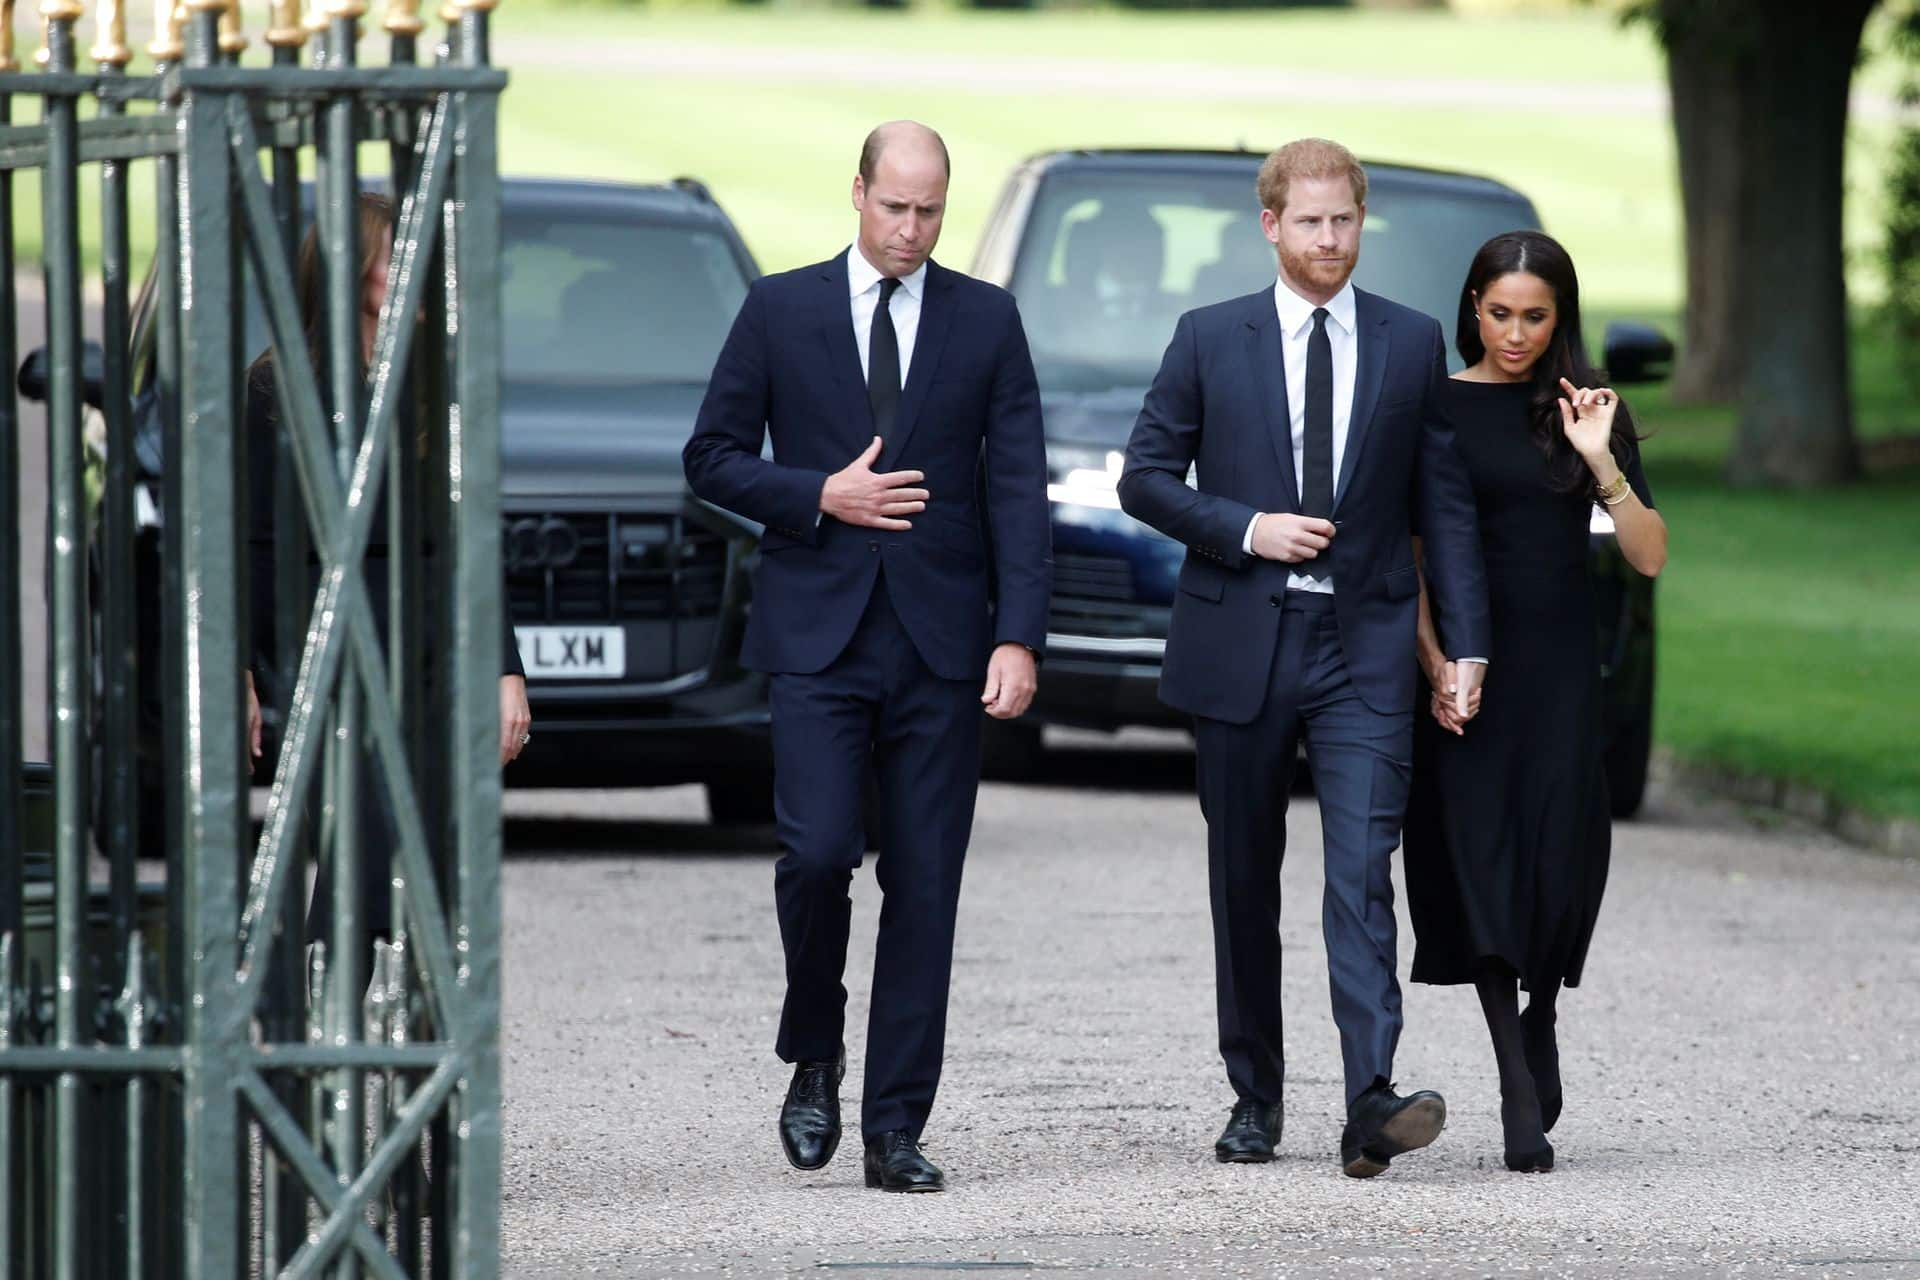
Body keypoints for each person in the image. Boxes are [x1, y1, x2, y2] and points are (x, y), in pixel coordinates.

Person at [682, 122, 1051, 1193]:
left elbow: (1018, 486)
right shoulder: (781, 308)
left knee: (927, 884)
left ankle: (894, 1125)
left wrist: (1018, 631)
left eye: (931, 210)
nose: (912, 229)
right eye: (895, 207)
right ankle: (815, 1046)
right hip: (818, 637)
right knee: (814, 853)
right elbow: (709, 456)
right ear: (857, 194)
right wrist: (815, 494)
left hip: (942, 644)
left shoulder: (986, 319)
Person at [1117, 138, 1491, 1178]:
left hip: (1365, 644)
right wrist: (1246, 526)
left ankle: (1371, 1095)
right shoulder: (1208, 338)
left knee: (1362, 869)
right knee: (1244, 876)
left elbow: (1442, 511)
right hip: (1242, 633)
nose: (1330, 239)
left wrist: (1464, 645)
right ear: (1271, 225)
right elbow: (1144, 478)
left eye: (1346, 221)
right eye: (1311, 221)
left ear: (1362, 223)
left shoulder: (1412, 344)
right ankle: (1255, 1095)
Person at [1403, 230, 1667, 1173]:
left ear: (1561, 317)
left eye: (1536, 316)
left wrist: (1600, 457)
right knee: (1477, 855)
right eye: (1500, 311)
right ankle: (1515, 1077)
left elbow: (1648, 554)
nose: (1515, 334)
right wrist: (1435, 659)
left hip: (1558, 667)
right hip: (1469, 664)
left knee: (1559, 856)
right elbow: (1419, 553)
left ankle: (1542, 1007)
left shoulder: (1588, 407)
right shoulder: (1432, 401)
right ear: (1473, 305)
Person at [243, 192, 533, 940]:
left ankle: (377, 1024)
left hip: (428, 632)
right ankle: (324, 1010)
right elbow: (254, 539)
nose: (405, 270)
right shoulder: (277, 386)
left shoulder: (439, 381)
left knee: (420, 846)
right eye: (386, 256)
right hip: (325, 636)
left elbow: (471, 534)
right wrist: (242, 669)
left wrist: (505, 672)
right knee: (362, 840)